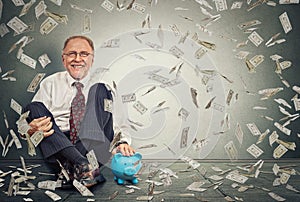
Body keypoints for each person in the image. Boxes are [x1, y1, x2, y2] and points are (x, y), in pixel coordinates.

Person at [22, 35, 135, 188]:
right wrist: (30, 129)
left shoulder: (106, 84)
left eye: (84, 54)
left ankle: (79, 166)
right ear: (63, 59)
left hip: (94, 148)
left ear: (92, 59)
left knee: (100, 89)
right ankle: (83, 166)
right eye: (71, 54)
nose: (77, 58)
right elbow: (27, 125)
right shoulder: (50, 83)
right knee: (33, 107)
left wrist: (122, 142)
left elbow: (120, 123)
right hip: (59, 147)